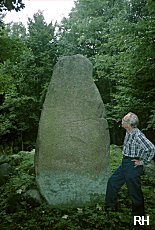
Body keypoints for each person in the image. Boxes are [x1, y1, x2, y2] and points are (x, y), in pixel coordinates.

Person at [105, 112, 155, 217]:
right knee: (112, 182)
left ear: (129, 124)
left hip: (133, 165)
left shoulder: (138, 135)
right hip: (125, 163)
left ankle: (139, 221)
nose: (121, 121)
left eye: (124, 120)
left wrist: (142, 162)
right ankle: (110, 210)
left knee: (135, 194)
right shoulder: (128, 131)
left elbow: (151, 148)